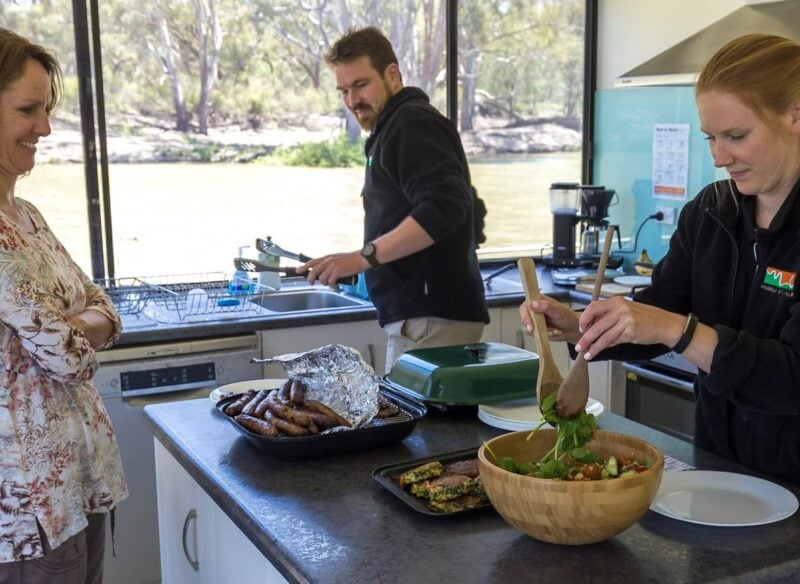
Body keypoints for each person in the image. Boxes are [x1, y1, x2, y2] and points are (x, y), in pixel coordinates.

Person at [520, 32, 800, 485]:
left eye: (736, 135)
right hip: (717, 469)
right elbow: (660, 310)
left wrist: (676, 329)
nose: (719, 156)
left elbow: (791, 377)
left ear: (795, 115)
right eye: (710, 137)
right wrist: (581, 326)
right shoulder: (713, 212)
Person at [0, 28, 127, 582]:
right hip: (27, 512)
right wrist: (74, 326)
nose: (45, 128)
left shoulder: (25, 216)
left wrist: (72, 322)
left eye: (46, 109)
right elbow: (67, 359)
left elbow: (106, 308)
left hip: (78, 485)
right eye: (28, 109)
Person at [298, 26, 489, 371]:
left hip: (431, 320)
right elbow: (470, 206)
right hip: (428, 316)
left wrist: (364, 257)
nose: (352, 100)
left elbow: (447, 205)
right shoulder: (396, 127)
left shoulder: (411, 123)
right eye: (343, 90)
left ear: (392, 74)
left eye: (360, 85)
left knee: (421, 426)